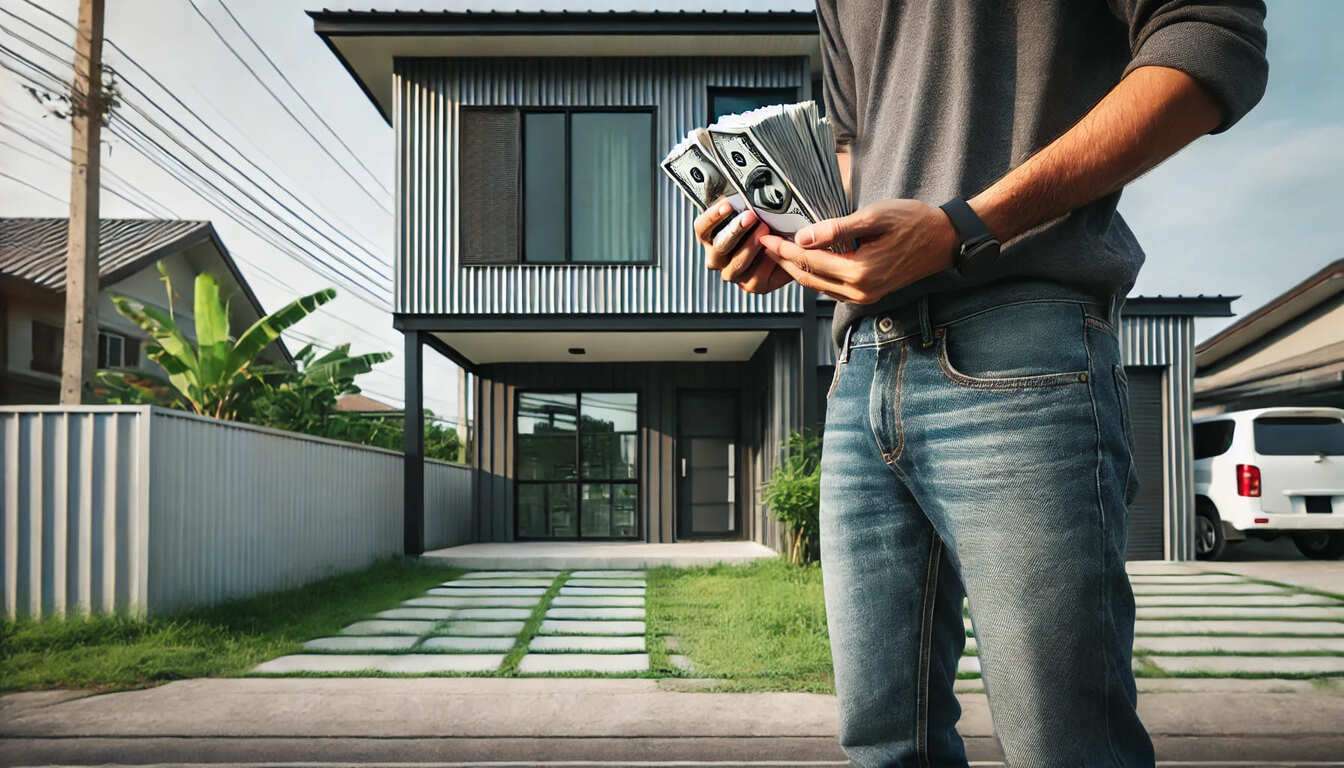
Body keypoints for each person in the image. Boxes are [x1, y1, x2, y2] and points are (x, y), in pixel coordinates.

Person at [693, 2, 1268, 765]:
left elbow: (1210, 42)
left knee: (1065, 745)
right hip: (863, 361)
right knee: (885, 745)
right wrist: (792, 241)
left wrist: (964, 225)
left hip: (1020, 343)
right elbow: (853, 148)